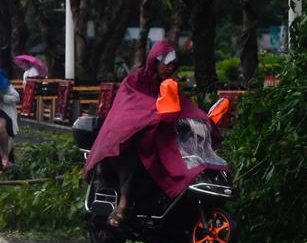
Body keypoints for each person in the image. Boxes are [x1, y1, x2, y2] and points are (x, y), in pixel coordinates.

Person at [83, 41, 215, 228]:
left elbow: (185, 109)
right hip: (133, 135)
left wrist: (204, 121)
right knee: (132, 151)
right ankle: (124, 202)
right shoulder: (135, 80)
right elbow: (129, 109)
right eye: (166, 63)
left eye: (173, 65)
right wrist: (152, 116)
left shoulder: (171, 85)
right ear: (154, 60)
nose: (170, 68)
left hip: (161, 136)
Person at [0, 68, 18, 170]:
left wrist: (2, 97)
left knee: (1, 128)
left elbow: (16, 97)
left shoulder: (6, 85)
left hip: (5, 113)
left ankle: (5, 155)